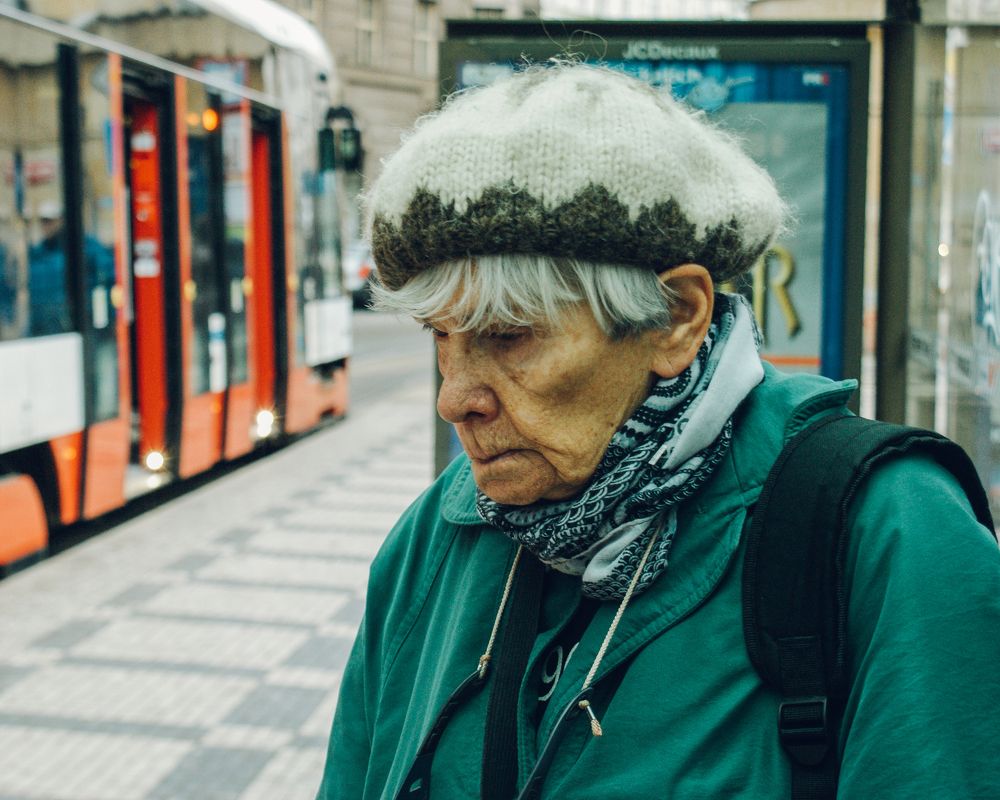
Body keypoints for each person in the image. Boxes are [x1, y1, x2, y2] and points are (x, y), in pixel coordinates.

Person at [316, 64, 1000, 799]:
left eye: (509, 336)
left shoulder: (890, 535)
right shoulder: (440, 532)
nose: (454, 400)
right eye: (439, 336)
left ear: (677, 317)